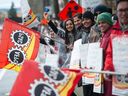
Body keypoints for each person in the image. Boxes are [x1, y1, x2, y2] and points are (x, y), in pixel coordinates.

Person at [104, 0, 128, 95]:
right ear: (117, 12)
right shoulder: (114, 31)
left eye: (126, 10)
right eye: (121, 10)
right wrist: (108, 69)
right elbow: (110, 54)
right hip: (119, 84)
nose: (124, 13)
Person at [96, 12, 114, 96]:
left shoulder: (112, 35)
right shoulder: (104, 35)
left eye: (103, 22)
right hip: (103, 72)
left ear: (109, 22)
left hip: (111, 74)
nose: (100, 25)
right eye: (99, 23)